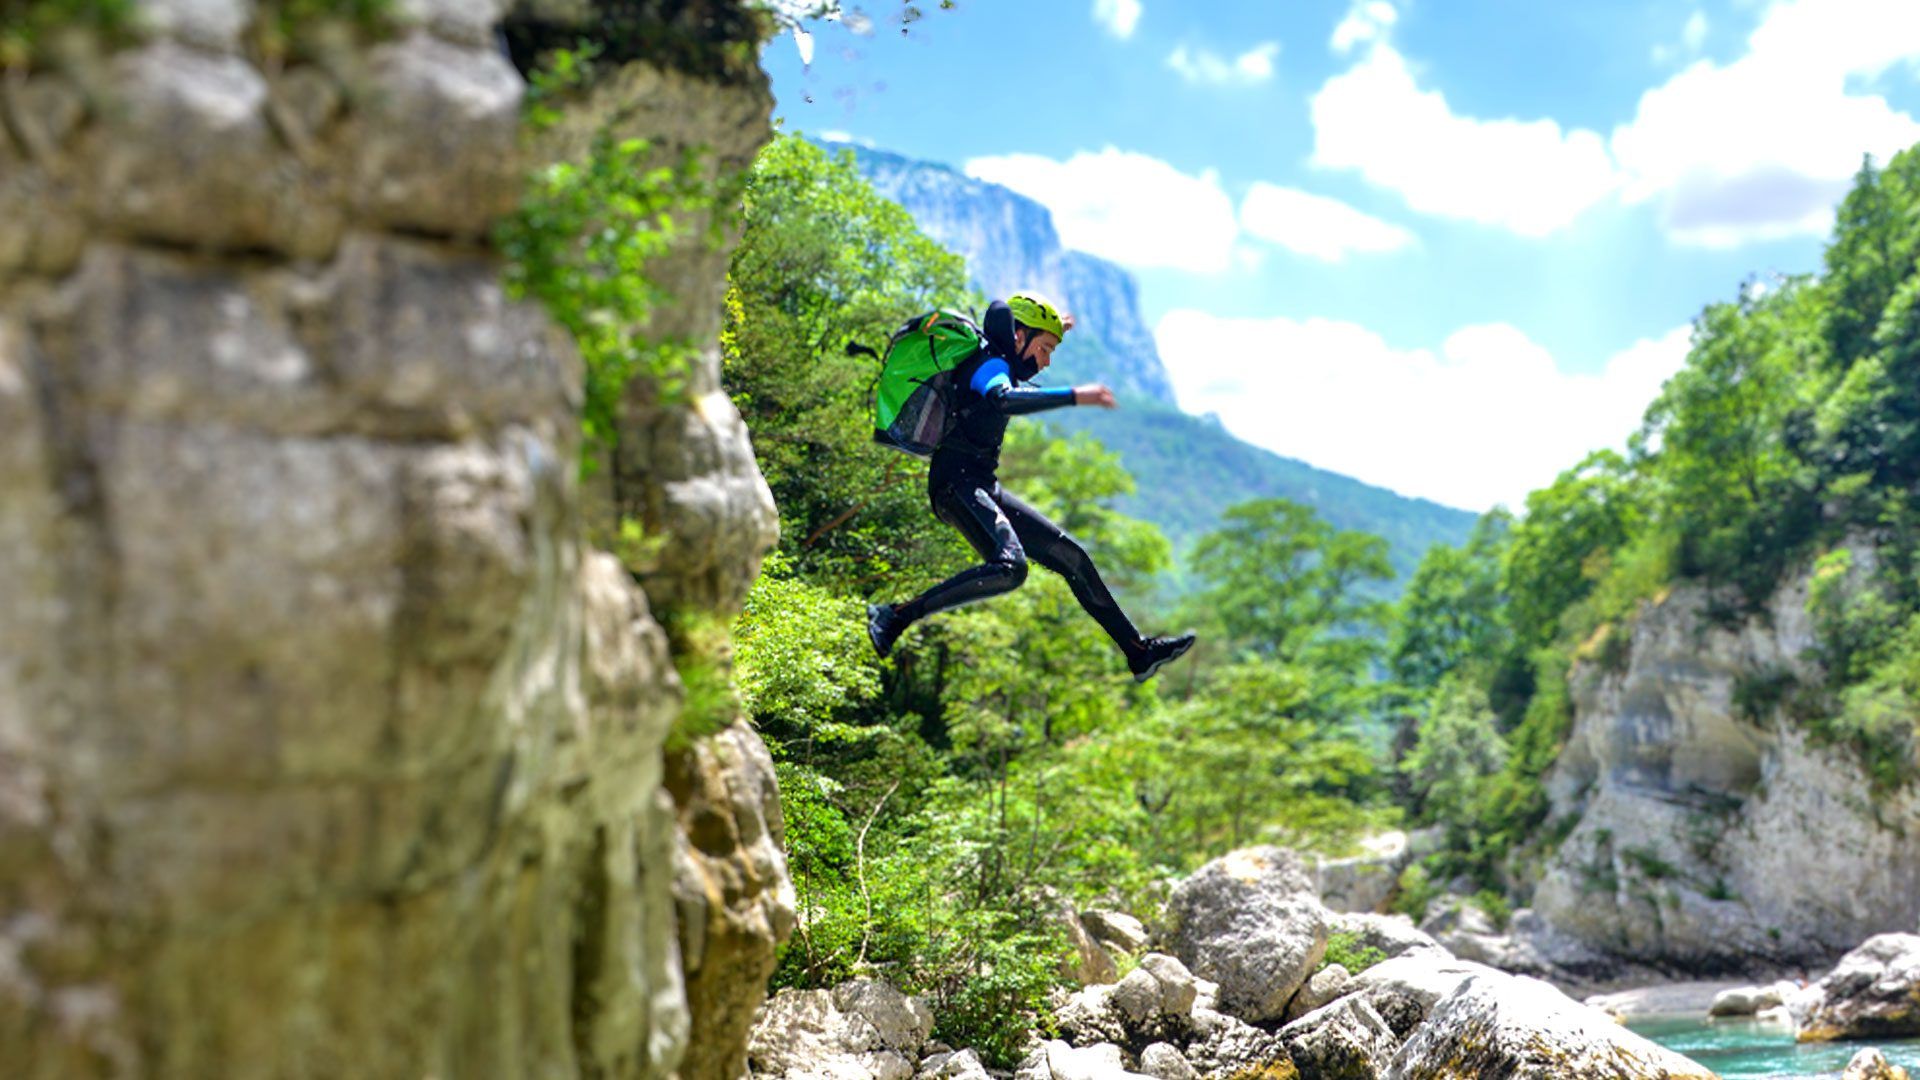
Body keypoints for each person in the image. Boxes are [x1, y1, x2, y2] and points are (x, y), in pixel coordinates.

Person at [865, 292, 1196, 682]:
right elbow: (1004, 398)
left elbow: (1015, 368)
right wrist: (1075, 395)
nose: (1047, 360)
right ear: (1018, 337)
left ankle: (1138, 652)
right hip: (955, 484)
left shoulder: (1001, 358)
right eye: (1044, 349)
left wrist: (1055, 329)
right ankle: (895, 616)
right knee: (1010, 566)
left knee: (1072, 557)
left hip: (981, 485)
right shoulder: (989, 365)